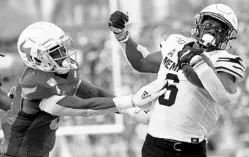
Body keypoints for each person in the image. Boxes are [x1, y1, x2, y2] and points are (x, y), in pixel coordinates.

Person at [0, 21, 167, 157]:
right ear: (37, 59)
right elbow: (82, 108)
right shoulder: (37, 85)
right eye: (55, 51)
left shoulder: (58, 72)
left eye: (63, 47)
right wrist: (131, 100)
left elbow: (90, 92)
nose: (64, 54)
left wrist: (132, 110)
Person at [109, 3, 246, 157]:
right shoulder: (176, 43)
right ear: (199, 25)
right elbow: (142, 62)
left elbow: (223, 95)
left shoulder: (225, 59)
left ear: (227, 36)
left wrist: (198, 60)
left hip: (187, 149)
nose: (212, 30)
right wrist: (122, 36)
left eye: (220, 29)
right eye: (208, 24)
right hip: (153, 144)